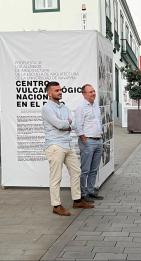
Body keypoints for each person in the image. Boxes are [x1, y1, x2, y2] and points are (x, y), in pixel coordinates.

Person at [42, 81, 94, 216]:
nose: (59, 92)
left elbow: (75, 122)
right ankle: (56, 206)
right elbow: (59, 124)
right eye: (56, 90)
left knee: (76, 171)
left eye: (60, 90)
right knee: (56, 177)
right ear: (49, 93)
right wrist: (67, 123)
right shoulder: (47, 108)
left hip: (67, 144)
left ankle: (77, 200)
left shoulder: (64, 108)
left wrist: (67, 124)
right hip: (54, 146)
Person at [75, 84, 104, 203]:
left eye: (93, 91)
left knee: (94, 169)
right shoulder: (81, 107)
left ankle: (91, 191)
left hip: (98, 140)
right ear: (84, 94)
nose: (93, 94)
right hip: (88, 141)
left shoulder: (95, 105)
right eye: (90, 92)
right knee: (85, 169)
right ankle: (83, 194)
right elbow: (78, 125)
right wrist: (84, 138)